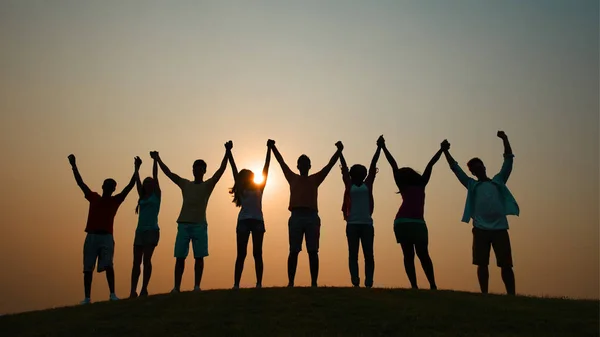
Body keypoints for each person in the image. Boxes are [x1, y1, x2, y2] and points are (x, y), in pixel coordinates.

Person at [442, 131, 518, 295]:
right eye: (473, 168)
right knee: (482, 263)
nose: (477, 169)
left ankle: (511, 295)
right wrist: (445, 151)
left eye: (479, 165)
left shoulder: (498, 182)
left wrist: (505, 139)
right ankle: (484, 294)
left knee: (506, 264)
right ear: (472, 172)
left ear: (484, 167)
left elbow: (508, 160)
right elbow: (455, 169)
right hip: (481, 229)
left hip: (500, 229)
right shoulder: (472, 185)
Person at [153, 142, 232, 292]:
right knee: (180, 258)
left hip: (200, 225)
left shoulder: (207, 185)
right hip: (183, 224)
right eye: (195, 167)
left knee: (199, 257)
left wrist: (227, 152)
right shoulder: (185, 184)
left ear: (204, 170)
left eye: (200, 168)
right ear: (193, 170)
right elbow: (169, 174)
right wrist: (158, 159)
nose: (197, 170)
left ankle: (196, 286)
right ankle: (176, 287)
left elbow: (221, 171)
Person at [68, 154, 141, 304]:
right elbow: (80, 183)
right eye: (107, 185)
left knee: (108, 265)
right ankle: (87, 298)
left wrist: (136, 168)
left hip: (106, 237)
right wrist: (74, 166)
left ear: (114, 189)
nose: (109, 187)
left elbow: (129, 186)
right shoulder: (94, 197)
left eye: (112, 186)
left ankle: (112, 294)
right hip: (92, 236)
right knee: (88, 268)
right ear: (103, 186)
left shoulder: (115, 200)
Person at [269, 139, 342, 287]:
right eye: (301, 163)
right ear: (298, 166)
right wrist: (273, 147)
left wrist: (339, 151)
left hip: (311, 217)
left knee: (313, 251)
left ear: (309, 166)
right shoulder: (292, 178)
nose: (303, 166)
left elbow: (329, 166)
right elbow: (281, 162)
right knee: (294, 251)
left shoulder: (315, 179)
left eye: (305, 163)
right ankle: (291, 282)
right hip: (296, 216)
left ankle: (314, 282)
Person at [379, 135, 441, 290]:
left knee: (410, 256)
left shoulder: (407, 184)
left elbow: (394, 165)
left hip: (404, 222)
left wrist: (383, 147)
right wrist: (441, 149)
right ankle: (431, 285)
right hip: (415, 223)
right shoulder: (421, 184)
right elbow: (430, 164)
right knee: (423, 255)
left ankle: (416, 286)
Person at [228, 141, 272, 289]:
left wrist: (269, 149)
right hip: (244, 222)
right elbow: (234, 169)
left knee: (257, 254)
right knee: (241, 254)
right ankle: (236, 284)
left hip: (258, 221)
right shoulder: (241, 188)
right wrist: (229, 152)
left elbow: (266, 168)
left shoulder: (260, 187)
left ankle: (259, 283)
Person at [338, 140, 381, 288]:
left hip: (367, 224)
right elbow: (344, 169)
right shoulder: (349, 184)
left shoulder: (367, 184)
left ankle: (369, 281)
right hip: (352, 224)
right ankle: (355, 281)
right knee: (353, 255)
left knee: (369, 254)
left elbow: (373, 165)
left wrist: (379, 148)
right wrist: (340, 152)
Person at [129, 153, 161, 299]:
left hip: (151, 231)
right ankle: (133, 291)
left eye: (150, 182)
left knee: (146, 261)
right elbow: (137, 181)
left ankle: (144, 289)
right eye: (146, 182)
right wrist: (137, 167)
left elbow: (156, 175)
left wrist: (155, 160)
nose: (147, 184)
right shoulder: (142, 197)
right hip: (140, 231)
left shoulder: (156, 196)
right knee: (136, 262)